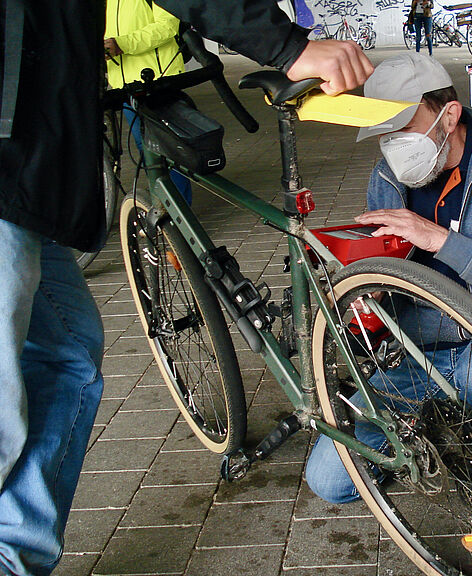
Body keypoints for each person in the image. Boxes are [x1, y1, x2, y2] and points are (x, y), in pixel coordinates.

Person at [0, 1, 372, 573]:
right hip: (17, 155)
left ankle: (16, 559)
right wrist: (288, 46)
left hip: (27, 166)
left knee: (67, 359)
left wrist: (286, 47)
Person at [305, 53, 472, 527]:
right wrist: (368, 292)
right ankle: (436, 415)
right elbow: (385, 269)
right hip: (419, 344)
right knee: (330, 480)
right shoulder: (387, 176)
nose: (393, 146)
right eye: (384, 134)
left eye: (405, 127)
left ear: (449, 115)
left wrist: (439, 240)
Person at [104, 0, 193, 204]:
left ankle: (180, 212)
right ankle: (164, 205)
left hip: (158, 81)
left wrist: (122, 44)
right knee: (146, 150)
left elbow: (167, 26)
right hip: (125, 87)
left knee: (170, 150)